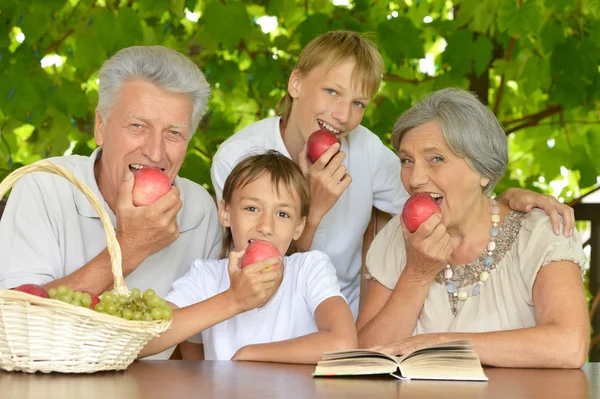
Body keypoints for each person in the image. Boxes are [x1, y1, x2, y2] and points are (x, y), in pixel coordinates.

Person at [210, 30, 576, 318]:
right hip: (265, 308)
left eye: (358, 104)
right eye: (332, 92)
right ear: (296, 84)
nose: (342, 115)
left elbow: (434, 197)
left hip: (339, 317)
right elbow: (264, 268)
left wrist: (504, 195)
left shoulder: (364, 149)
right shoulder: (238, 157)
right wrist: (314, 209)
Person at [0, 46, 222, 359]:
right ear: (101, 127)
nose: (156, 152)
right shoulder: (43, 186)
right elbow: (18, 322)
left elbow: (194, 351)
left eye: (174, 133)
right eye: (138, 126)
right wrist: (129, 248)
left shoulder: (199, 210)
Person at [356, 88, 589, 368]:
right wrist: (416, 275)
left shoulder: (540, 233)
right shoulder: (397, 235)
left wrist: (439, 344)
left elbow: (569, 346)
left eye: (436, 158)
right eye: (407, 160)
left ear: (484, 171)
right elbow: (366, 354)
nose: (415, 178)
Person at [139, 151, 357, 362]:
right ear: (225, 213)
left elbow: (343, 344)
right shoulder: (205, 277)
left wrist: (250, 354)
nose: (265, 226)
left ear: (299, 227)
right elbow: (140, 341)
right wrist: (233, 300)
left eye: (283, 214)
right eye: (252, 208)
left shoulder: (310, 269)